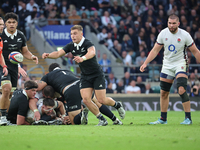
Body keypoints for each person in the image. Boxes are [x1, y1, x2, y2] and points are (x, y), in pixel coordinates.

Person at [42, 25, 125, 125]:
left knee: (101, 100)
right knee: (86, 100)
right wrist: (48, 55)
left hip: (96, 74)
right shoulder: (71, 46)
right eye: (71, 34)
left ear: (81, 34)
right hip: (85, 76)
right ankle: (102, 120)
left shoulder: (87, 43)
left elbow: (92, 52)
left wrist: (83, 58)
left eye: (75, 33)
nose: (73, 36)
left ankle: (117, 105)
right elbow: (58, 53)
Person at [140, 14, 200, 125]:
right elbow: (154, 50)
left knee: (181, 89)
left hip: (180, 63)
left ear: (178, 23)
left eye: (173, 23)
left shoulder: (185, 35)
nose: (171, 26)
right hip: (167, 65)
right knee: (163, 93)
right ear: (167, 23)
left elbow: (195, 51)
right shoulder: (163, 33)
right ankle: (163, 119)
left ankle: (188, 119)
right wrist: (145, 63)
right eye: (169, 23)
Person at [37, 63, 123, 126]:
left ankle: (82, 114)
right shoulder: (67, 71)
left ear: (50, 71)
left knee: (73, 122)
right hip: (81, 84)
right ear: (59, 68)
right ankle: (115, 120)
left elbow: (38, 87)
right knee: (97, 103)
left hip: (70, 89)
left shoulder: (49, 76)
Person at [0, 12, 38, 126]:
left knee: (10, 95)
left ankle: (4, 119)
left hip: (13, 67)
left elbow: (25, 52)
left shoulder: (21, 35)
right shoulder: (1, 35)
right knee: (6, 89)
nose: (11, 24)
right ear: (5, 24)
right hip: (2, 66)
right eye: (9, 22)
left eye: (14, 22)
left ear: (17, 23)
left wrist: (32, 57)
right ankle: (2, 118)